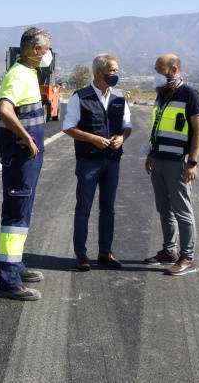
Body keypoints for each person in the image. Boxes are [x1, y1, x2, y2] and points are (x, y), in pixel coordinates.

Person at [0, 26, 53, 301]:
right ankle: (8, 279)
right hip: (20, 158)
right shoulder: (18, 74)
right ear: (35, 50)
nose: (49, 53)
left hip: (28, 159)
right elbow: (4, 110)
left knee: (23, 211)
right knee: (15, 217)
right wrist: (27, 138)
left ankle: (16, 266)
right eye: (47, 48)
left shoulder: (29, 73)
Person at [62, 54, 132, 271]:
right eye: (113, 71)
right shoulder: (80, 97)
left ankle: (105, 252)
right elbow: (68, 127)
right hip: (89, 161)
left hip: (112, 161)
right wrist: (93, 138)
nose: (116, 74)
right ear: (99, 72)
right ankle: (81, 254)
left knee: (108, 208)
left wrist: (122, 138)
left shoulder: (119, 97)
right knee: (84, 208)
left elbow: (127, 125)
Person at [143, 54, 199, 276]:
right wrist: (150, 154)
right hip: (158, 159)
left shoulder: (190, 95)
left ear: (174, 69)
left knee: (182, 211)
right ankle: (169, 251)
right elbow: (157, 126)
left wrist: (192, 162)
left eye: (159, 68)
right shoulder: (162, 96)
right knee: (163, 208)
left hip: (178, 163)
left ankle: (187, 257)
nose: (155, 72)